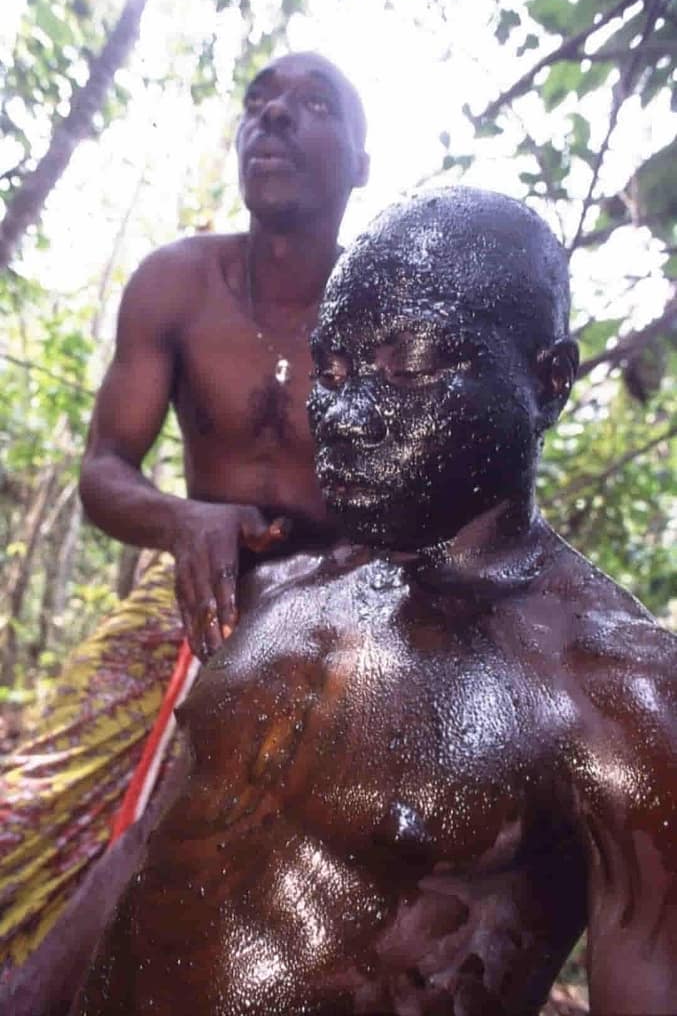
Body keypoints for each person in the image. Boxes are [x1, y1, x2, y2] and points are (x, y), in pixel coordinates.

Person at [77, 187, 676, 1016]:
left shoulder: (618, 697)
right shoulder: (284, 593)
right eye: (333, 370)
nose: (346, 415)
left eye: (408, 367)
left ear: (548, 381)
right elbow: (155, 852)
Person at [0, 50, 368, 984]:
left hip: (340, 629)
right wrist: (181, 519)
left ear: (361, 161)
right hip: (189, 603)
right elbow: (102, 470)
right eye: (258, 103)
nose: (273, 119)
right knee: (32, 834)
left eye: (311, 104)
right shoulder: (177, 284)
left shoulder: (387, 314)